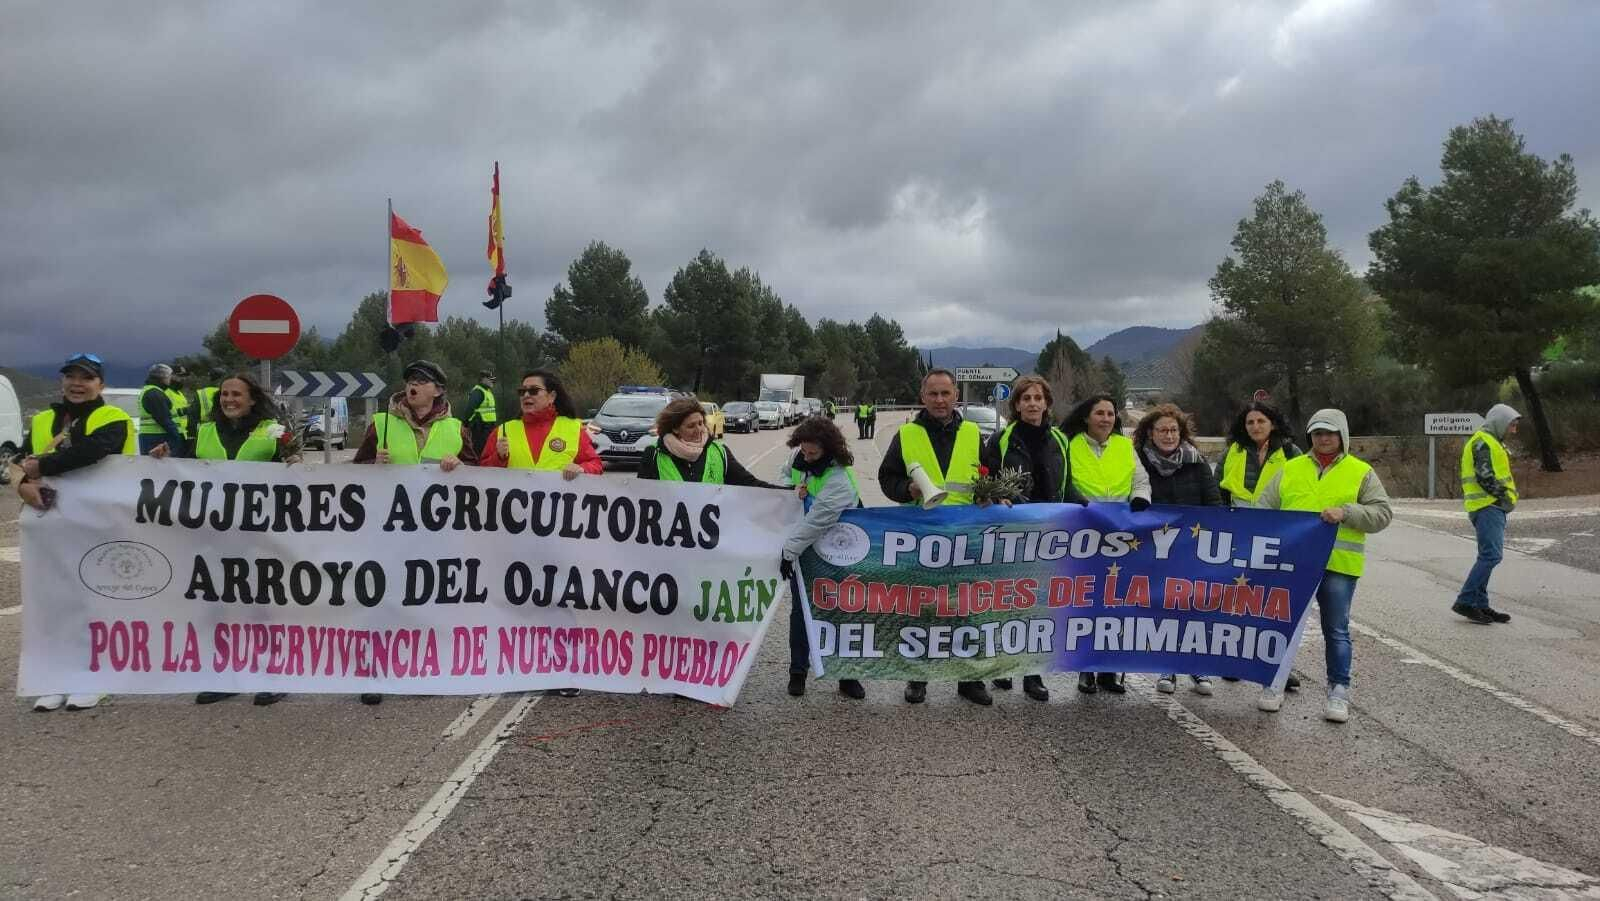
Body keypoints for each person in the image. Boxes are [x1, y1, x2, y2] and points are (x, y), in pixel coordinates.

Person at [152, 372, 298, 707]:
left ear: (252, 399)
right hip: (214, 535)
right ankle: (225, 674)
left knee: (260, 606)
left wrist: (295, 463)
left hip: (261, 535)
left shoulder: (273, 431)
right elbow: (183, 471)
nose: (229, 400)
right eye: (224, 395)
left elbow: (296, 469)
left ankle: (274, 674)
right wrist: (164, 459)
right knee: (216, 605)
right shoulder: (204, 431)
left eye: (236, 394)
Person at [1254, 408, 1392, 723]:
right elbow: (1263, 509)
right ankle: (1273, 683)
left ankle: (1338, 692)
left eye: (1329, 433)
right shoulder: (1290, 469)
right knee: (1281, 626)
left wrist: (1347, 512)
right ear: (1310, 436)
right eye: (1317, 433)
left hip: (1338, 565)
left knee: (1336, 630)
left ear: (1342, 435)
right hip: (1292, 564)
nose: (1324, 438)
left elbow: (1382, 514)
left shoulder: (1361, 471)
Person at [354, 360, 476, 704]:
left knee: (429, 602)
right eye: (410, 380)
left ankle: (425, 669)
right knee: (383, 600)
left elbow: (479, 476)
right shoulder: (382, 424)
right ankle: (375, 673)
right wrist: (372, 465)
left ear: (438, 390)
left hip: (437, 534)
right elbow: (354, 474)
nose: (414, 385)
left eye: (422, 381)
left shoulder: (457, 428)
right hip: (388, 531)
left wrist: (460, 467)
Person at [17, 353, 135, 712]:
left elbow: (93, 452)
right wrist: (22, 483)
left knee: (95, 600)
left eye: (86, 378)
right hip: (50, 523)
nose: (77, 384)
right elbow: (19, 460)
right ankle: (58, 676)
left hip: (101, 523)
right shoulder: (42, 420)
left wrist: (41, 466)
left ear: (101, 385)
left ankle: (97, 676)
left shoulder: (113, 418)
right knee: (55, 601)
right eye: (71, 377)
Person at [480, 369, 601, 697]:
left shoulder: (571, 429)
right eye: (522, 391)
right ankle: (520, 665)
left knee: (557, 600)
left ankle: (566, 668)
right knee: (515, 599)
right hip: (513, 534)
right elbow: (482, 478)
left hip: (558, 534)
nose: (526, 396)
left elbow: (595, 466)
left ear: (552, 395)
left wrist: (582, 468)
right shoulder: (504, 431)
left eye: (533, 390)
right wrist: (499, 458)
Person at [878, 369, 992, 706]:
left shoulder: (973, 433)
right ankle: (918, 678)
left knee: (966, 610)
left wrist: (988, 495)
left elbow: (987, 477)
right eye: (933, 394)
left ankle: (969, 680)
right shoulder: (907, 435)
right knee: (924, 610)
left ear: (956, 395)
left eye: (945, 393)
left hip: (965, 538)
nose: (940, 400)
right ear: (923, 397)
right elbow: (887, 479)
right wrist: (907, 489)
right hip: (923, 537)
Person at [979, 375, 1088, 702]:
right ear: (1016, 404)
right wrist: (995, 498)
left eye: (1038, 398)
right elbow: (987, 482)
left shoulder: (1060, 439)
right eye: (1025, 398)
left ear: (1047, 403)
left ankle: (1032, 674)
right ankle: (1001, 665)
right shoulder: (1001, 440)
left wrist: (1088, 507)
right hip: (1013, 532)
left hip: (1050, 532)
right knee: (1005, 602)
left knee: (1038, 605)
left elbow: (1067, 483)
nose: (1032, 403)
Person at [1062, 393, 1150, 695]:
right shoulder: (1070, 445)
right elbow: (1065, 482)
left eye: (1110, 414)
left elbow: (1140, 480)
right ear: (1087, 417)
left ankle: (1110, 670)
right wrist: (1084, 506)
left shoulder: (1125, 446)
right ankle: (1086, 668)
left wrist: (1140, 499)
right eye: (1099, 413)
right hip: (1083, 532)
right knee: (1088, 602)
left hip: (1119, 533)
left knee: (1116, 602)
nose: (1106, 419)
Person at [1133, 403, 1221, 698]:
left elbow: (1213, 503)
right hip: (1155, 548)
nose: (1169, 435)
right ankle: (1167, 666)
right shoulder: (1139, 463)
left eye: (1173, 430)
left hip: (1192, 548)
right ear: (1150, 433)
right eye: (1162, 430)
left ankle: (1197, 666)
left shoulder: (1196, 462)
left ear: (1181, 432)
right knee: (1164, 607)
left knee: (1194, 607)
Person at [777, 417, 866, 701]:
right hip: (805, 548)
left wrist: (788, 551)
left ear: (828, 450)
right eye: (803, 450)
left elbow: (817, 520)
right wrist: (792, 491)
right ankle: (797, 672)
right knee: (801, 611)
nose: (805, 456)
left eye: (812, 453)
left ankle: (847, 675)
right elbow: (783, 477)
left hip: (838, 550)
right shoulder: (799, 455)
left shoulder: (839, 479)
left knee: (841, 611)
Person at [1453, 404, 1521, 625]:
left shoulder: (1490, 441)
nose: (1514, 430)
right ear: (1499, 422)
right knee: (1491, 556)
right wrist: (1505, 499)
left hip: (1489, 506)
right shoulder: (1483, 442)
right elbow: (1485, 477)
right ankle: (1465, 601)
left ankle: (1480, 604)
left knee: (1487, 556)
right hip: (1488, 506)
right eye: (1511, 425)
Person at [637, 397, 777, 486]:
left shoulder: (719, 452)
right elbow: (640, 496)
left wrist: (787, 494)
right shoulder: (654, 454)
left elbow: (749, 484)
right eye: (691, 426)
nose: (699, 430)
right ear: (675, 428)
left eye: (700, 423)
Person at [1219, 401, 1301, 507]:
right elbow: (1217, 492)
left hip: (1276, 515)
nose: (1255, 427)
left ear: (1273, 425)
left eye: (1261, 421)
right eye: (1250, 422)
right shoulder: (1232, 451)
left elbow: (1301, 491)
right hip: (1237, 515)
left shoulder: (1291, 452)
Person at [137, 363, 188, 456]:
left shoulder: (150, 390)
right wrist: (176, 436)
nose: (170, 379)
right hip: (157, 438)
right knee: (159, 464)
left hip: (151, 437)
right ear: (162, 378)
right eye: (168, 376)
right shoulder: (154, 393)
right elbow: (164, 419)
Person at [464, 369, 498, 463]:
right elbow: (470, 408)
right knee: (479, 450)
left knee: (487, 449)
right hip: (480, 426)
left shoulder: (487, 391)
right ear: (483, 379)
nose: (492, 382)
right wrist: (465, 423)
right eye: (490, 379)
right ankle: (477, 466)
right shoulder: (478, 392)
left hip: (488, 426)